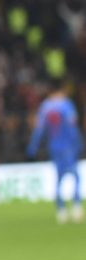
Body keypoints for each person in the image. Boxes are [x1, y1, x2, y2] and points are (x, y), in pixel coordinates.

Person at [26, 80, 83, 224]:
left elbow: (39, 130)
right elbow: (72, 127)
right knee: (76, 176)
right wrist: (79, 143)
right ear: (61, 91)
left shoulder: (45, 107)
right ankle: (76, 206)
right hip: (68, 146)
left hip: (54, 147)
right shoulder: (66, 105)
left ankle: (61, 209)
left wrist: (33, 147)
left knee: (59, 178)